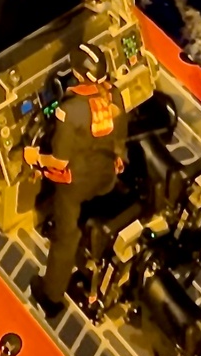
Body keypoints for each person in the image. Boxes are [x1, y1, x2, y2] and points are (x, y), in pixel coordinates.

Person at [24, 42, 129, 319]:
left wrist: (33, 156)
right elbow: (119, 144)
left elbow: (58, 162)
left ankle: (51, 298)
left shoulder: (68, 112)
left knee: (65, 239)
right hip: (105, 179)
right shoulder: (114, 96)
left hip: (76, 187)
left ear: (78, 74)